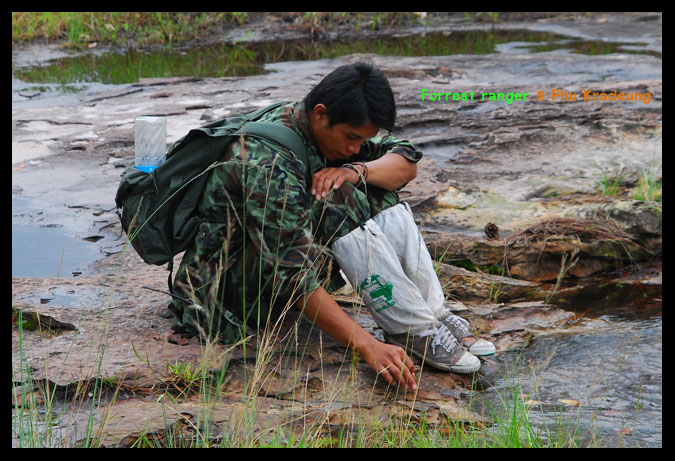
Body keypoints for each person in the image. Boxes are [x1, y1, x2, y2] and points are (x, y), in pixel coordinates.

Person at [168, 61, 495, 391]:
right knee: (337, 198)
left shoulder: (317, 125)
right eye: (351, 137)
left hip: (265, 270)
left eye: (362, 139)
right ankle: (411, 329)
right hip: (223, 297)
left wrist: (357, 170)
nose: (355, 147)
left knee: (364, 181)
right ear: (321, 113)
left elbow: (406, 163)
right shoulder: (268, 161)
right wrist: (367, 345)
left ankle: (430, 315)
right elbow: (290, 277)